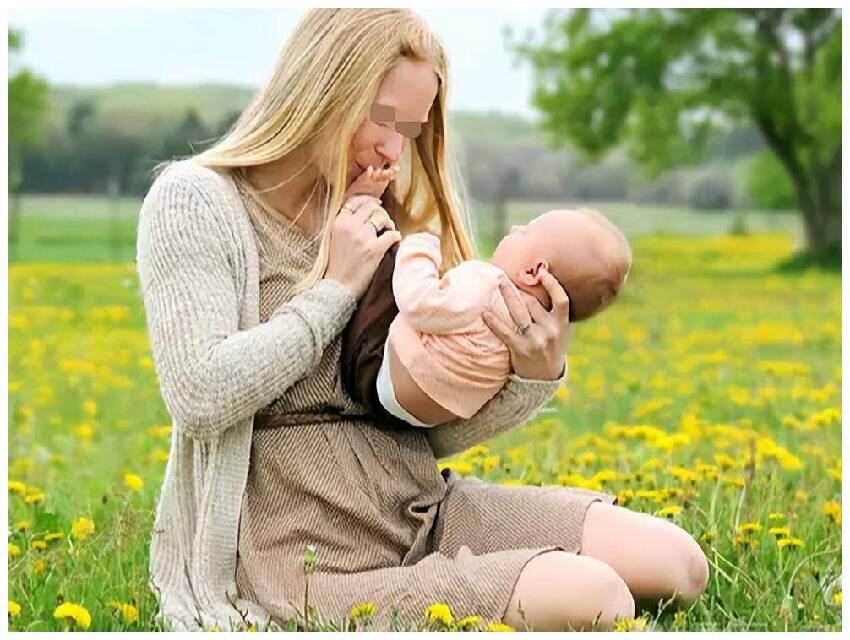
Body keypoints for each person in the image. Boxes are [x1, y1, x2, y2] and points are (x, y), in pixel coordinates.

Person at [135, 8, 708, 633]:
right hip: (307, 559)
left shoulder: (379, 213)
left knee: (677, 566)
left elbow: (414, 420)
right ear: (319, 89)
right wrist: (334, 291)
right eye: (382, 118)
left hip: (420, 507)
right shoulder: (196, 202)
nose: (392, 149)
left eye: (409, 130)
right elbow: (197, 394)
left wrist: (526, 378)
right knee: (597, 597)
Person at [371, 208, 632, 428]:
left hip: (398, 373)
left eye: (527, 230)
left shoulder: (485, 283)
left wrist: (418, 248)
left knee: (389, 272)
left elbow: (419, 303)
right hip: (433, 417)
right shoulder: (527, 341)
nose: (516, 227)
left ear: (534, 271)